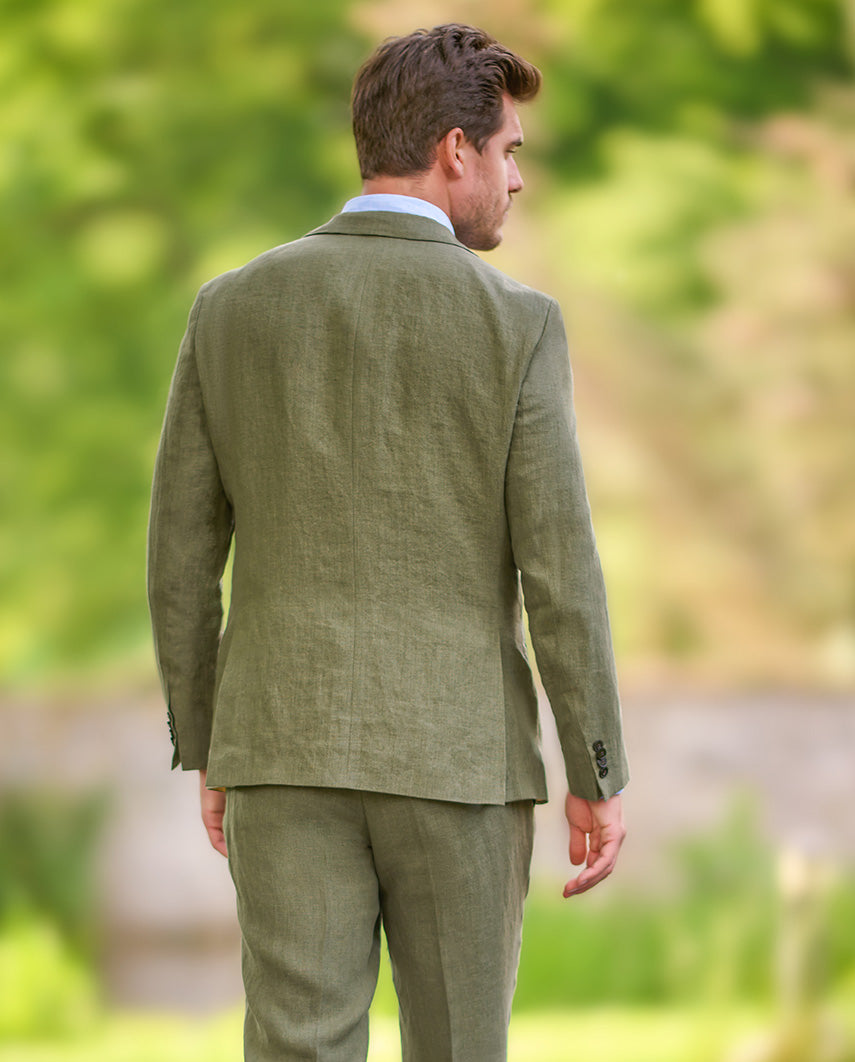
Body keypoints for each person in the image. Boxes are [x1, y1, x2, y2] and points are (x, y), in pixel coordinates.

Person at [148, 22, 628, 1062]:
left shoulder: (228, 310)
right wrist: (595, 763)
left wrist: (211, 742)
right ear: (455, 150)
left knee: (297, 1048)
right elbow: (560, 571)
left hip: (280, 747)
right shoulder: (518, 325)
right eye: (509, 152)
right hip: (461, 760)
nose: (517, 178)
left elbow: (180, 557)